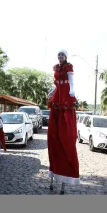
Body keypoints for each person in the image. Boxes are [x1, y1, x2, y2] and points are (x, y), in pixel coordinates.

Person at [47, 49, 80, 194]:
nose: (60, 57)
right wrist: (52, 92)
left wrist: (72, 90)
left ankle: (67, 172)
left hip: (66, 96)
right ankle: (54, 170)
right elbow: (57, 85)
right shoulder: (56, 67)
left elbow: (70, 81)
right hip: (57, 97)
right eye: (58, 55)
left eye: (62, 55)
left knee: (65, 135)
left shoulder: (68, 67)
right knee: (53, 137)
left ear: (66, 56)